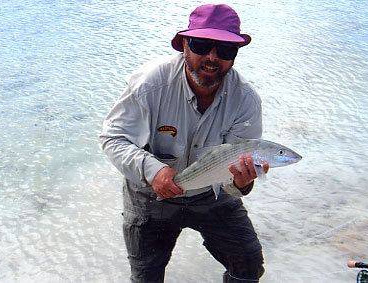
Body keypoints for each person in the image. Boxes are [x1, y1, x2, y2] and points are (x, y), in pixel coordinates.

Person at [100, 4, 269, 282]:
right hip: (150, 197)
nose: (213, 58)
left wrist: (242, 183)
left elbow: (236, 177)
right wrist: (153, 171)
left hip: (212, 198)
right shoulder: (149, 83)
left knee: (249, 265)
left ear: (235, 55)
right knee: (146, 277)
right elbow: (113, 138)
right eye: (202, 45)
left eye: (225, 50)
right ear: (185, 45)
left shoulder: (246, 100)